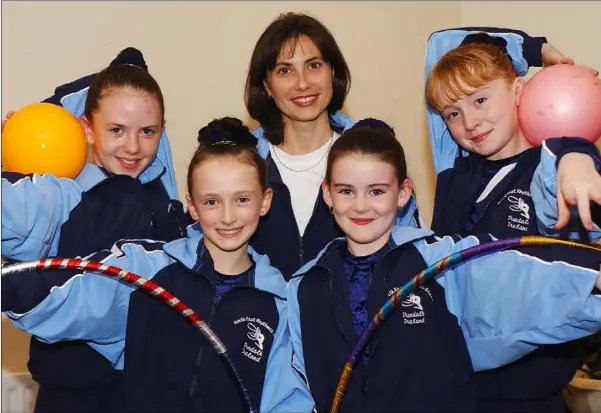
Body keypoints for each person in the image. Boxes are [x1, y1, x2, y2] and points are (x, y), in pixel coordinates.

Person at [287, 119, 601, 413]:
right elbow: (300, 387)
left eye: (377, 191)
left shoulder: (442, 263)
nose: (360, 205)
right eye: (345, 191)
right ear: (327, 193)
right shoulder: (304, 286)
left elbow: (522, 279)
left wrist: (594, 274)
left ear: (403, 193)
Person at [2, 117, 314, 413]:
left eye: (242, 199)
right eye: (212, 201)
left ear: (265, 200)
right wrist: (10, 284)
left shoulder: (281, 303)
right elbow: (72, 292)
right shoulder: (148, 270)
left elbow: (287, 400)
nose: (228, 216)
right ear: (191, 205)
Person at [1, 48, 191, 413]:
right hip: (73, 399)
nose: (133, 147)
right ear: (87, 129)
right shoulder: (61, 197)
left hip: (151, 395)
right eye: (116, 130)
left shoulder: (169, 210)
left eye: (147, 132)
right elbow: (13, 210)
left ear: (162, 133)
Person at [424, 31, 601, 412]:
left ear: (518, 89)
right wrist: (533, 48)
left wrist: (578, 157)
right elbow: (440, 43)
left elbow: (565, 162)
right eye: (452, 114)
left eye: (481, 99)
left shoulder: (550, 173)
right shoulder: (453, 167)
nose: (469, 121)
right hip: (449, 389)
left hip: (528, 398)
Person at [244, 12, 423, 280]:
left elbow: (409, 257)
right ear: (267, 86)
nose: (303, 83)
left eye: (314, 65)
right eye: (285, 70)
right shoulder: (241, 162)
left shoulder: (375, 155)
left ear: (333, 72)